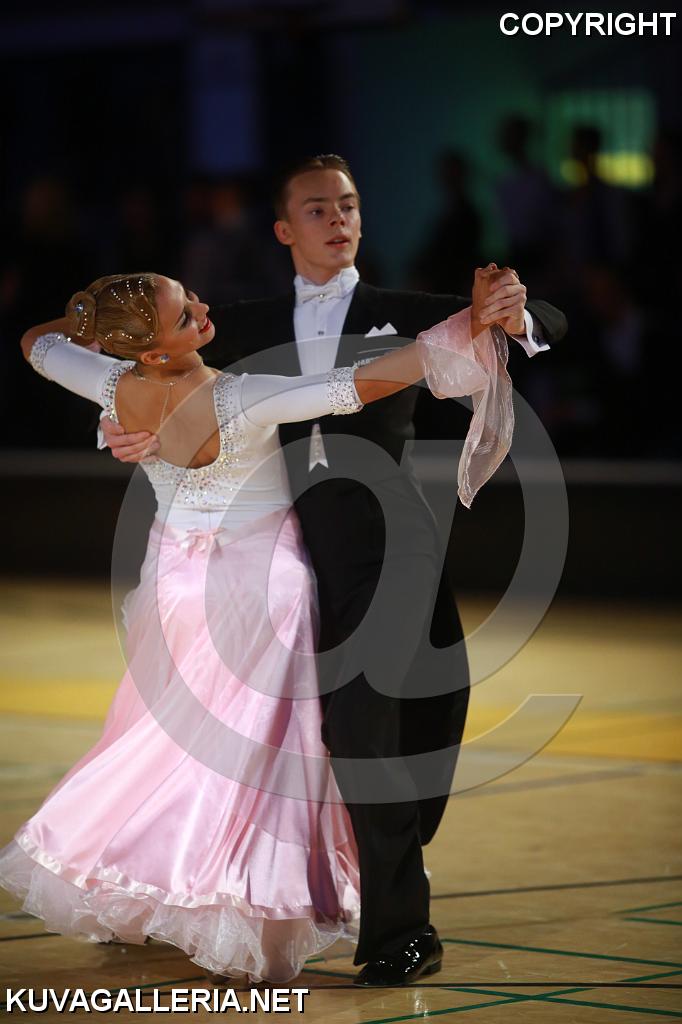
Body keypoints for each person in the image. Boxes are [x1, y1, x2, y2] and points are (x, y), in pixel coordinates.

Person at [97, 154, 568, 987]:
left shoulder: (400, 312)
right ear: (284, 229)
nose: (338, 219)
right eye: (317, 209)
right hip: (287, 560)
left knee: (360, 733)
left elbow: (546, 323)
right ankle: (213, 891)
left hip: (388, 546)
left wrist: (513, 309)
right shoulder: (236, 325)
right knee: (282, 742)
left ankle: (403, 933)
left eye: (348, 205)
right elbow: (137, 364)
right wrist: (120, 427)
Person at [0, 265, 511, 984]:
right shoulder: (241, 396)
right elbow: (359, 385)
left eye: (190, 297)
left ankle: (169, 888)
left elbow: (37, 343)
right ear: (153, 348)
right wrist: (469, 328)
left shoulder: (112, 385)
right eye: (185, 315)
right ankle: (242, 902)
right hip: (261, 591)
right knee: (261, 759)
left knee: (176, 745)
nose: (203, 308)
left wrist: (89, 321)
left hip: (176, 586)